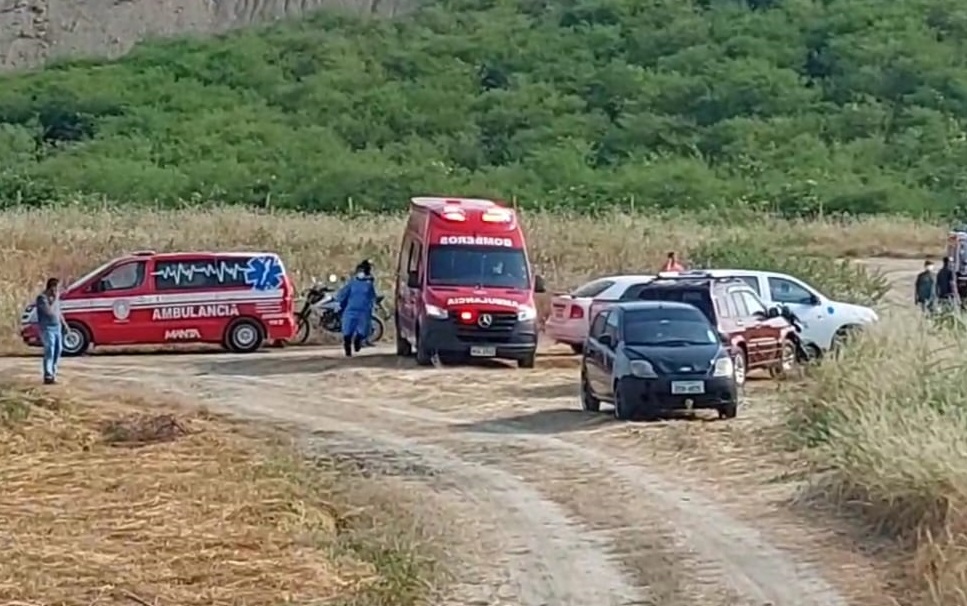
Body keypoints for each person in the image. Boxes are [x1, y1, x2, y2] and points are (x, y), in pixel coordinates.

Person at [336, 259, 377, 357]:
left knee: (349, 329)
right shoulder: (367, 284)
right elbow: (373, 297)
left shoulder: (355, 282)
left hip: (355, 309)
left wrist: (340, 303)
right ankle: (353, 344)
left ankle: (351, 345)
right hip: (361, 310)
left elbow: (342, 295)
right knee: (359, 330)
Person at [35, 277, 68, 384]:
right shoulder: (42, 298)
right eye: (56, 288)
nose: (58, 291)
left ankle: (53, 373)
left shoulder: (56, 298)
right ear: (52, 287)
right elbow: (49, 312)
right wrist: (53, 299)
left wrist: (65, 324)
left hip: (57, 327)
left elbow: (58, 312)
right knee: (50, 349)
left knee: (58, 349)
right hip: (47, 327)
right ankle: (48, 374)